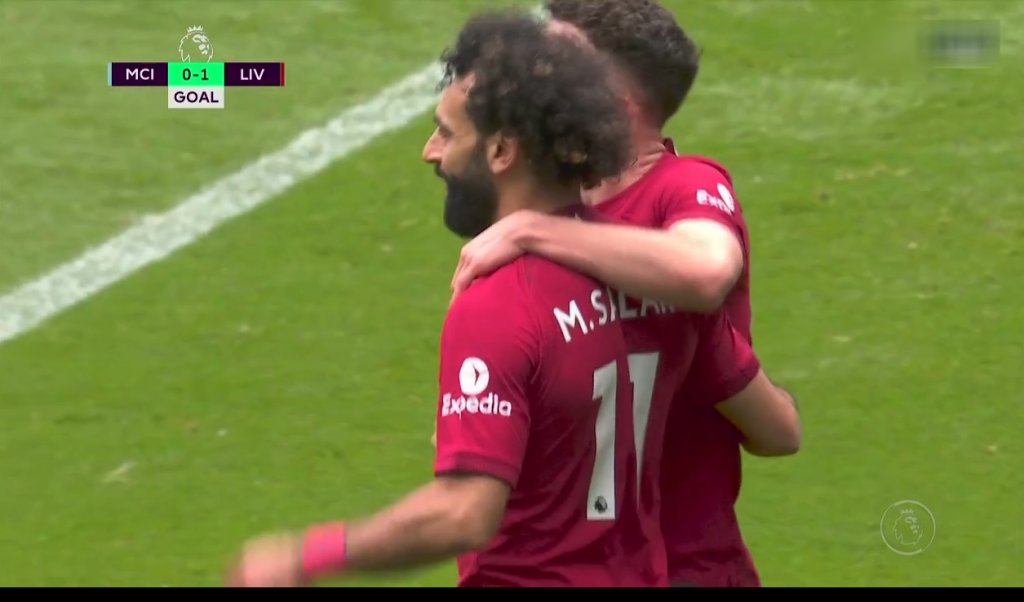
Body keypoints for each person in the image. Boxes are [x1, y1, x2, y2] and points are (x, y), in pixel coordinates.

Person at [224, 9, 772, 588]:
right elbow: (778, 430)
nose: (429, 152)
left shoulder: (502, 302)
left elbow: (464, 513)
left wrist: (307, 555)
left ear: (503, 151)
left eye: (446, 132)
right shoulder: (644, 281)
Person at [447, 0, 800, 588]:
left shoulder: (681, 186)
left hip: (680, 565)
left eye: (556, 63)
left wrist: (534, 230)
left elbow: (707, 270)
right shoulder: (550, 207)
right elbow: (777, 429)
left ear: (615, 102)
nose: (535, 75)